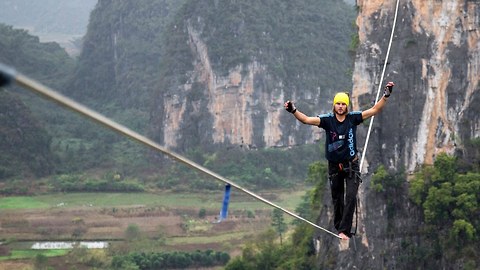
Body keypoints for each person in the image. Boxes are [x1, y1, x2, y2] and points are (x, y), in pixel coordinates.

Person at [284, 82, 395, 240]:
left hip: (351, 165)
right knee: (337, 198)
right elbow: (307, 120)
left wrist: (386, 95)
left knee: (350, 196)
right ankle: (339, 227)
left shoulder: (353, 118)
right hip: (334, 166)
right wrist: (293, 110)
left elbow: (375, 110)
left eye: (343, 104)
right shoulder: (328, 120)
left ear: (347, 105)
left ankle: (344, 230)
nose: (341, 106)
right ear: (334, 105)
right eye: (338, 104)